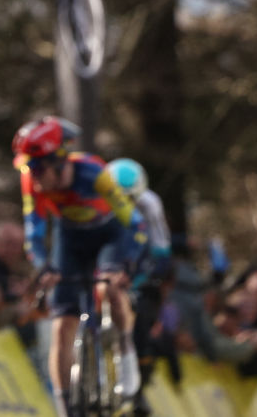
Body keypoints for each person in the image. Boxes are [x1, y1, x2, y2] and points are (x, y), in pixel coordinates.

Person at [11, 116, 147, 417]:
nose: (31, 175)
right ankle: (65, 409)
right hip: (70, 238)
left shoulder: (94, 173)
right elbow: (33, 230)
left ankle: (127, 358)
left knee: (111, 290)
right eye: (27, 168)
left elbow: (134, 223)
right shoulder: (31, 182)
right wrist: (42, 265)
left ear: (59, 160)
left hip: (109, 235)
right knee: (62, 326)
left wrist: (128, 264)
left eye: (36, 168)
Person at [105, 158, 172, 415]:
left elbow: (160, 250)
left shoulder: (150, 205)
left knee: (141, 318)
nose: (125, 206)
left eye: (131, 199)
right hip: (106, 257)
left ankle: (139, 387)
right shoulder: (95, 200)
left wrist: (144, 280)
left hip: (138, 263)